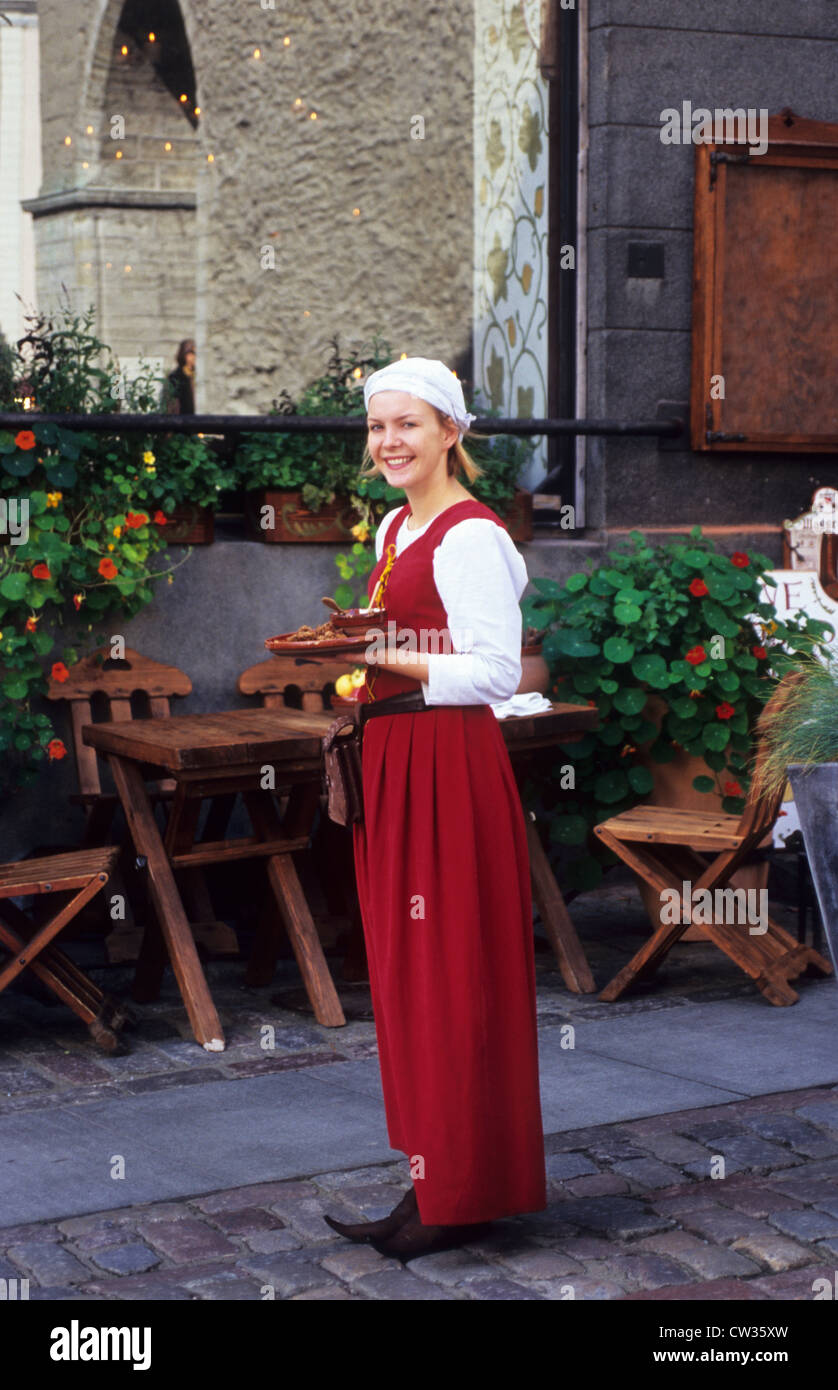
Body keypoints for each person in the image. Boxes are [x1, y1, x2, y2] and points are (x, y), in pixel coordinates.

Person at [323, 357, 547, 1261]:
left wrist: (386, 657)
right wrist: (362, 656)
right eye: (378, 427)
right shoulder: (391, 528)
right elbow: (408, 640)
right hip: (397, 759)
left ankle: (464, 1193)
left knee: (453, 972)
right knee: (412, 976)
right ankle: (436, 1181)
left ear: (451, 432)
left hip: (447, 765)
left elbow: (496, 672)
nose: (389, 443)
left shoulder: (470, 537)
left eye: (407, 425)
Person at [162, 338, 196, 414]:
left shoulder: (199, 376)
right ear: (184, 355)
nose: (195, 357)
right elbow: (172, 405)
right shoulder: (175, 377)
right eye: (192, 353)